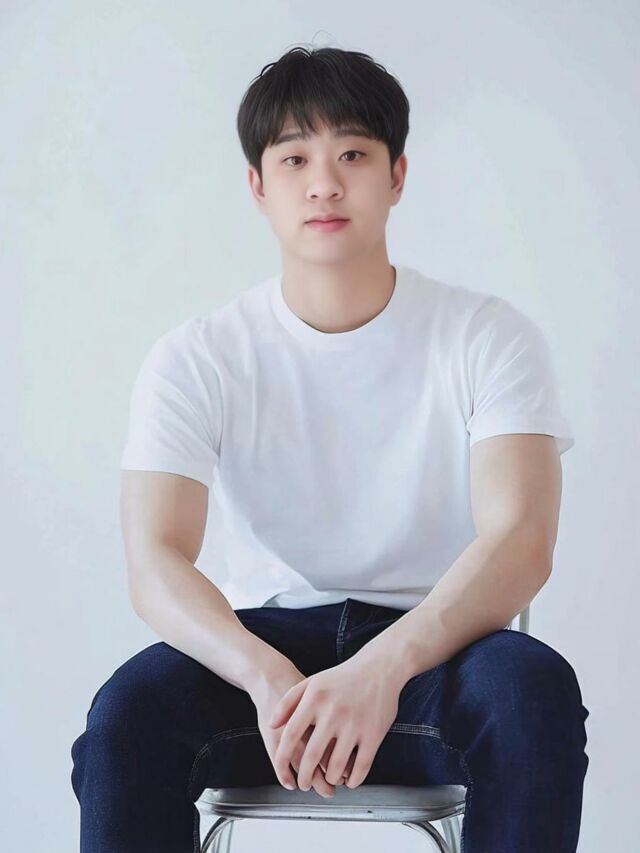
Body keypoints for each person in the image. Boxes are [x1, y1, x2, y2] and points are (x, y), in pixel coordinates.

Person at [70, 45, 589, 852]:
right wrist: (266, 676)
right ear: (258, 185)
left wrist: (383, 668)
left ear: (397, 175)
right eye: (294, 159)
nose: (324, 183)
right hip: (261, 659)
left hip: (436, 651)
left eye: (352, 154)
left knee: (531, 691)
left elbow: (522, 538)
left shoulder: (488, 336)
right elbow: (155, 560)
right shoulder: (198, 355)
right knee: (125, 718)